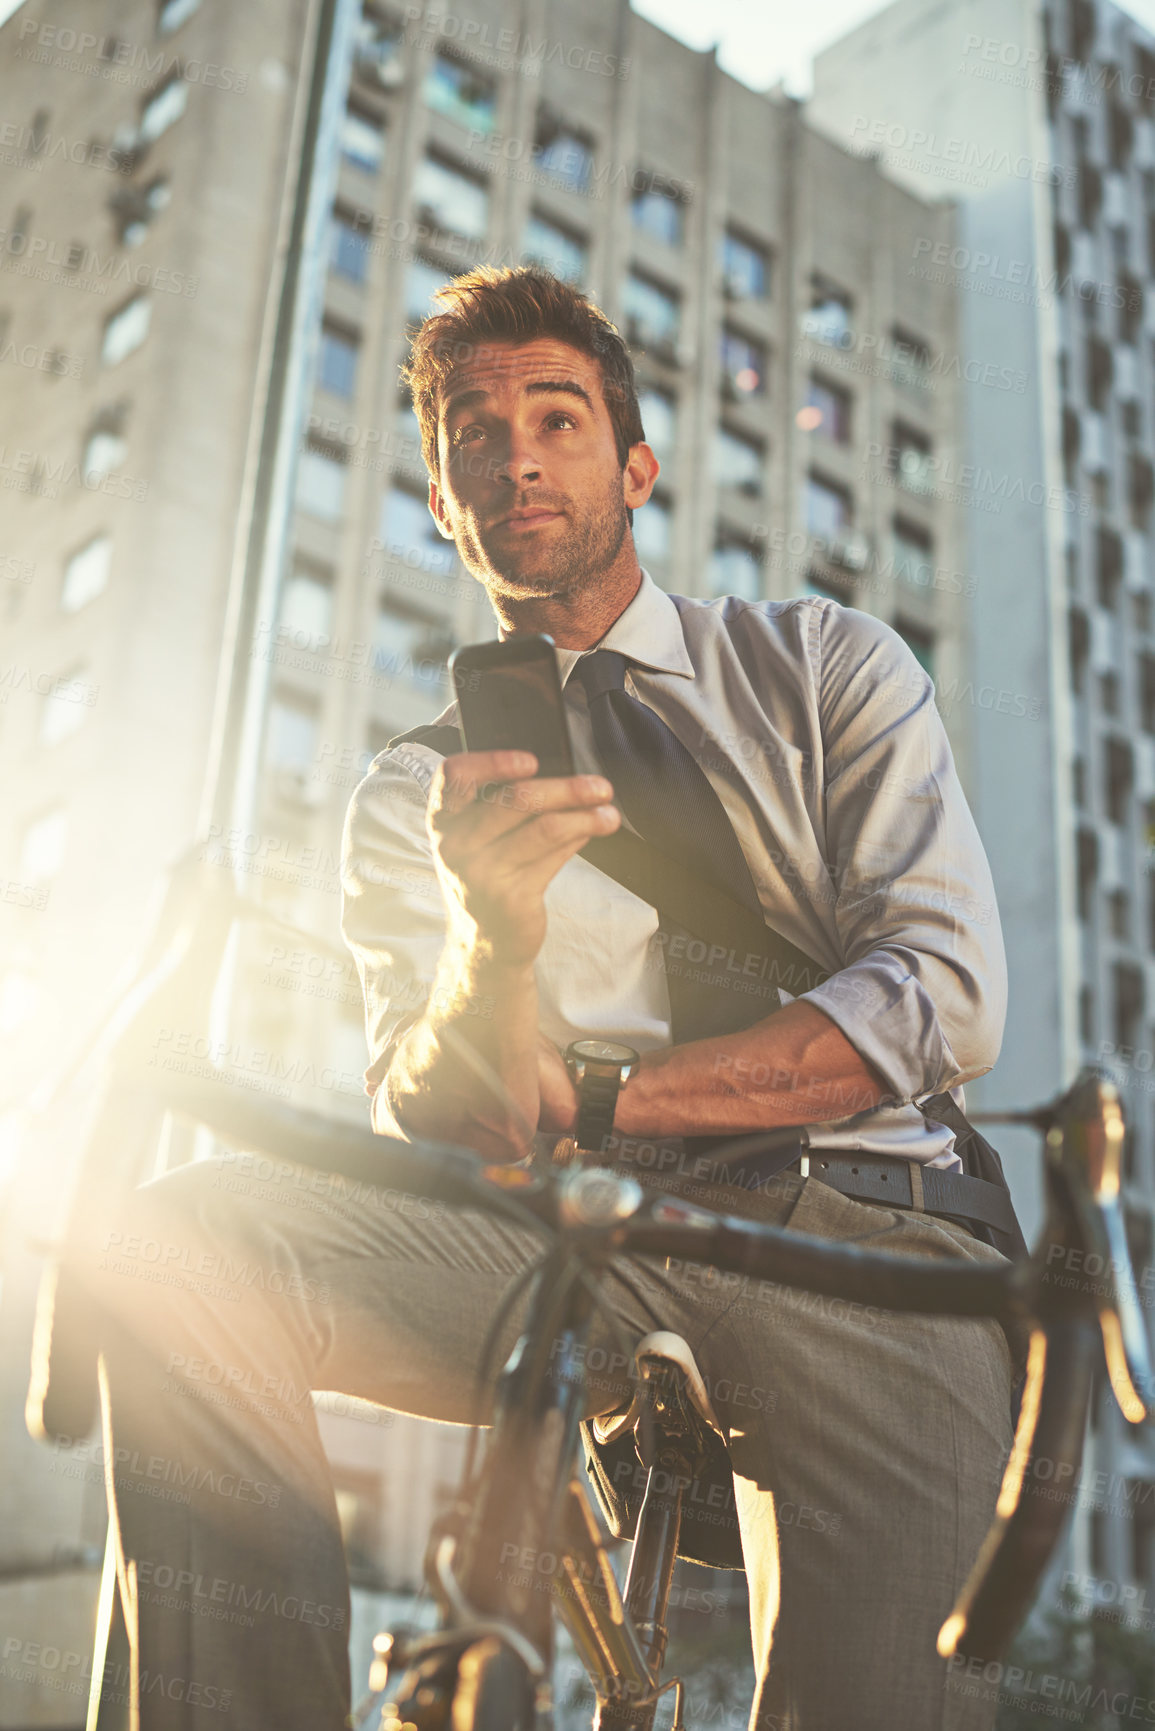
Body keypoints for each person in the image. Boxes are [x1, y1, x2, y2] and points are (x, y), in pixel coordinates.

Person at [83, 266, 1013, 1730]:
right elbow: (448, 1120)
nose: (512, 451)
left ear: (633, 467)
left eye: (557, 418)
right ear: (444, 504)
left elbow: (942, 996)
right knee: (176, 1248)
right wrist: (493, 942)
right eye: (470, 431)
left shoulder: (826, 665)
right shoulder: (413, 793)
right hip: (587, 1237)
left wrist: (604, 1097)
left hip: (873, 1235)